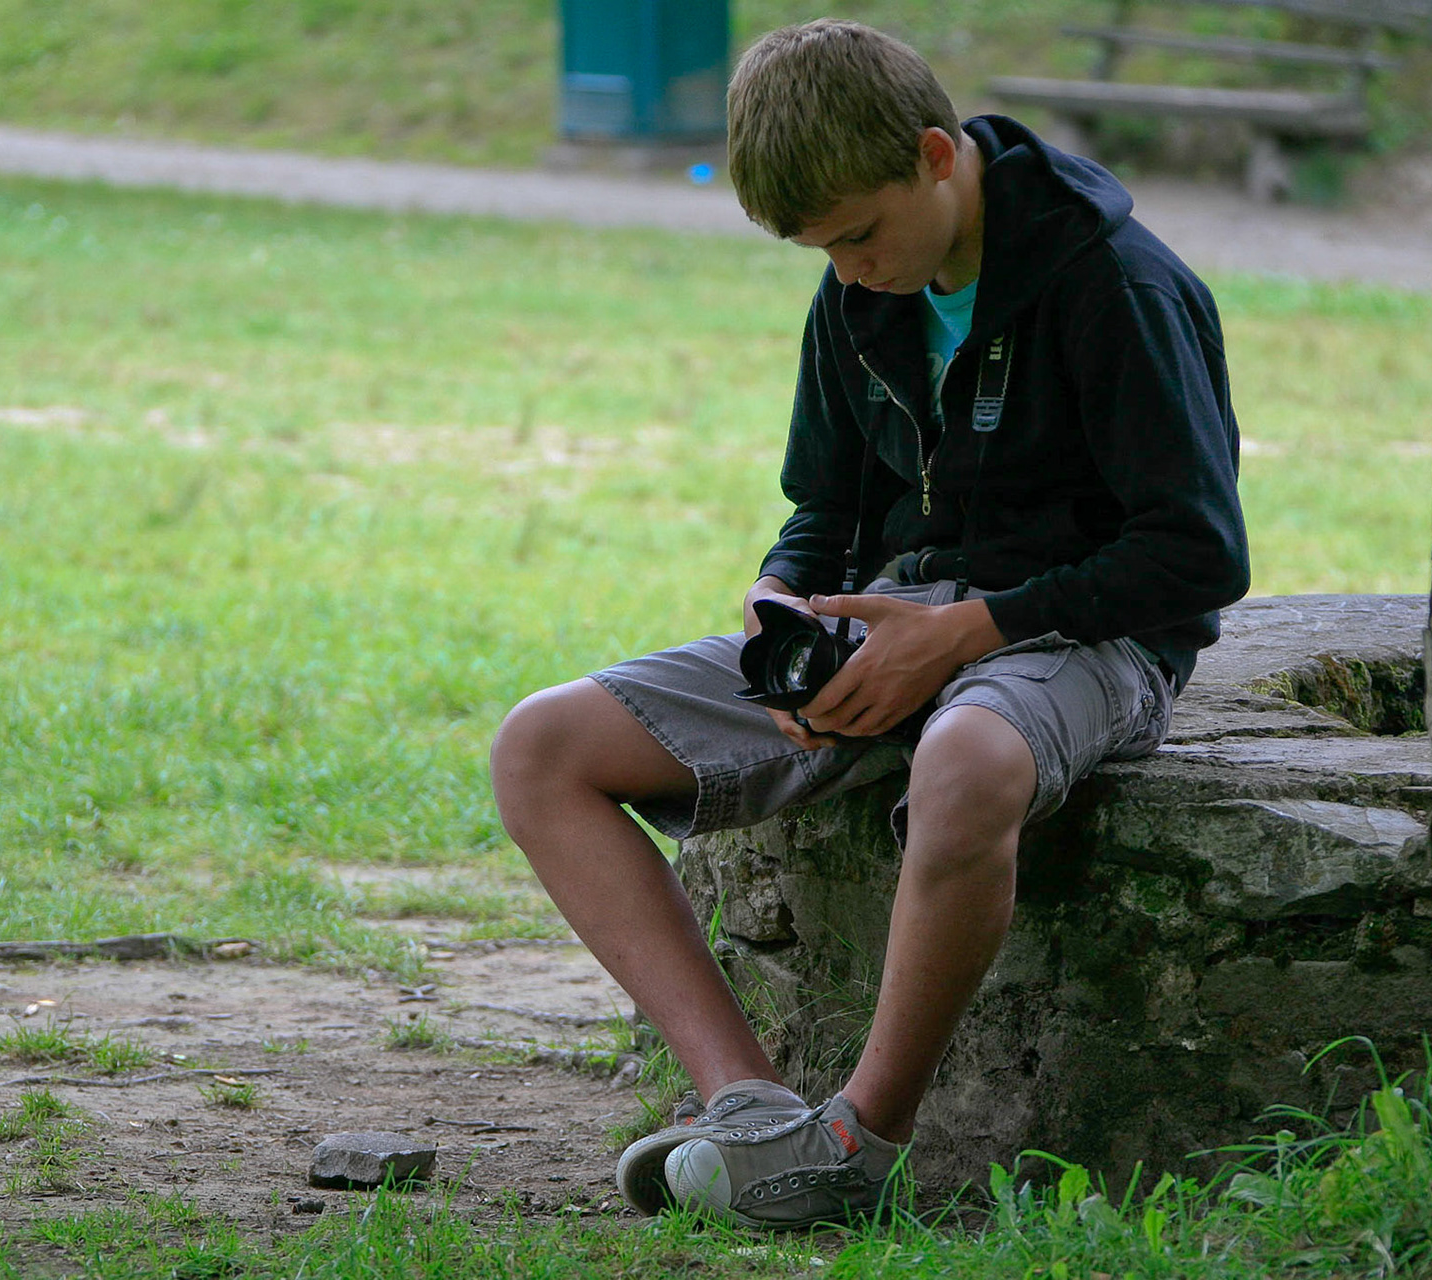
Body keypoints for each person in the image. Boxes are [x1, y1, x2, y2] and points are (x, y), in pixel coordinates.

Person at [487, 17, 1249, 1231]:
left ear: (937, 156)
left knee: (965, 754)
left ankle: (858, 1140)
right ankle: (747, 1107)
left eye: (856, 235)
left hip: (1083, 637)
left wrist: (964, 635)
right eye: (818, 250)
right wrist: (780, 594)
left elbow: (1199, 554)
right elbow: (823, 507)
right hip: (885, 622)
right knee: (540, 746)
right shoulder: (857, 293)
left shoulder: (1119, 285)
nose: (847, 272)